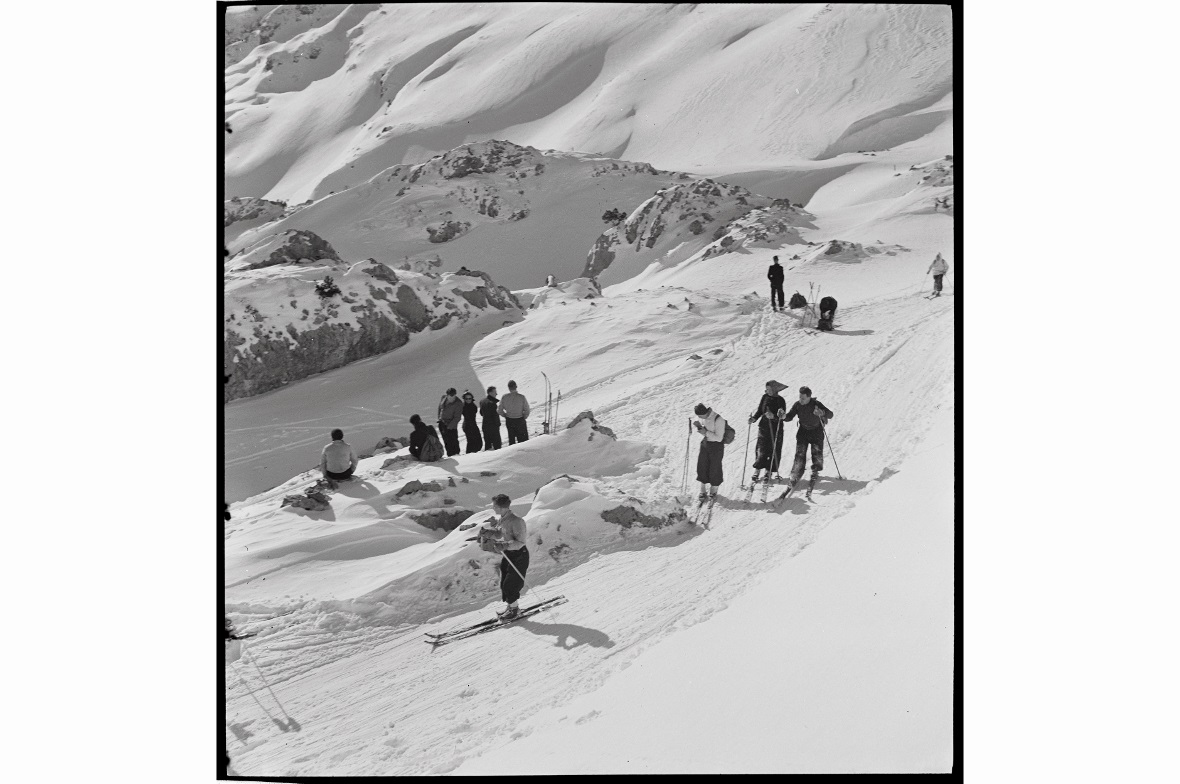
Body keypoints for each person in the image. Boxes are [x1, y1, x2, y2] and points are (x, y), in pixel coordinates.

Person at [478, 494, 530, 620]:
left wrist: (504, 545)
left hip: (519, 555)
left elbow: (520, 542)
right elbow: (499, 533)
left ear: (501, 507)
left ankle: (514, 610)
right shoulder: (503, 519)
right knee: (504, 583)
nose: (493, 508)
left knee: (510, 584)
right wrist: (488, 533)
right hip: (509, 554)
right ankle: (512, 607)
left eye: (494, 506)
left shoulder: (517, 521)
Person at [783, 386, 835, 494]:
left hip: (816, 431)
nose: (800, 400)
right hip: (803, 431)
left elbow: (831, 414)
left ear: (809, 397)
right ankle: (796, 473)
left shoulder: (816, 404)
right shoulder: (797, 405)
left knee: (817, 453)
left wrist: (822, 412)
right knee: (799, 454)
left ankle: (815, 470)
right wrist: (783, 416)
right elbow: (789, 416)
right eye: (799, 397)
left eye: (803, 398)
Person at [748, 381, 788, 484]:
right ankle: (757, 469)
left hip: (776, 429)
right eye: (766, 389)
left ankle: (768, 471)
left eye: (769, 390)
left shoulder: (780, 401)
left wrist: (773, 416)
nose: (767, 391)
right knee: (761, 449)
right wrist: (754, 418)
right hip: (764, 427)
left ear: (775, 390)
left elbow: (782, 416)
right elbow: (760, 411)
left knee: (773, 450)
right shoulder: (764, 397)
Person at [693, 403, 727, 500]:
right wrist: (700, 428)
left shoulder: (719, 420)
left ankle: (714, 490)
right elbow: (706, 432)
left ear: (705, 412)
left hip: (716, 446)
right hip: (705, 444)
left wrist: (705, 432)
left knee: (715, 467)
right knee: (702, 466)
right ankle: (702, 490)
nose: (699, 417)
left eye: (700, 415)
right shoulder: (703, 417)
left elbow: (719, 438)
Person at [498, 380, 531, 445]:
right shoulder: (521, 397)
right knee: (523, 441)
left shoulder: (505, 397)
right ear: (516, 386)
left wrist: (505, 415)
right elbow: (527, 409)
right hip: (520, 419)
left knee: (512, 440)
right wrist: (524, 416)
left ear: (508, 387)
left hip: (509, 420)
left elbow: (499, 410)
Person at [437, 388, 463, 456]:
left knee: (453, 442)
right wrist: (439, 418)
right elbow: (440, 408)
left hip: (451, 426)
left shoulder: (458, 403)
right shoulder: (443, 398)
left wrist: (449, 427)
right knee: (446, 442)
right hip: (442, 423)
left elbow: (457, 418)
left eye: (453, 395)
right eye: (450, 395)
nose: (452, 397)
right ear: (447, 395)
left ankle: (457, 455)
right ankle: (450, 456)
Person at [479, 386, 503, 450]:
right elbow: (495, 416)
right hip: (493, 427)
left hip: (485, 425)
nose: (496, 394)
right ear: (490, 393)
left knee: (488, 444)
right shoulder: (492, 403)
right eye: (495, 392)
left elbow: (481, 413)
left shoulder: (482, 401)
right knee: (497, 445)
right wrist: (498, 424)